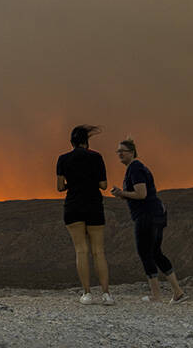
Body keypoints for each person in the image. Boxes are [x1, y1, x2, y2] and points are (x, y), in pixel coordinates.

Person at [110, 138, 186, 303]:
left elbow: (141, 194)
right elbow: (139, 194)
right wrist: (122, 194)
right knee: (156, 252)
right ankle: (178, 292)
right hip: (156, 214)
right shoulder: (137, 168)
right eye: (118, 151)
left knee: (145, 252)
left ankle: (156, 296)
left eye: (123, 151)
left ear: (132, 152)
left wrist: (122, 193)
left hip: (147, 216)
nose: (120, 154)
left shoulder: (135, 168)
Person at [55, 124, 113, 305]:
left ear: (71, 142)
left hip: (73, 207)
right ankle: (106, 294)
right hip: (94, 205)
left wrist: (72, 184)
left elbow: (59, 187)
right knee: (98, 251)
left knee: (81, 250)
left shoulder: (62, 159)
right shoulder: (96, 157)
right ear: (86, 142)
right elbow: (103, 185)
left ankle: (87, 293)